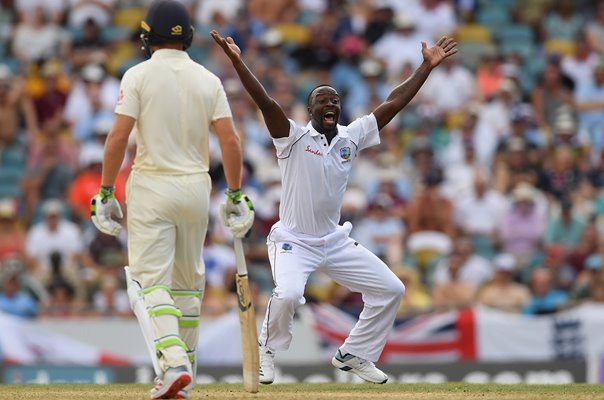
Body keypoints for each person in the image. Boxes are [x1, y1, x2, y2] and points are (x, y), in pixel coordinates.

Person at [212, 29, 457, 384]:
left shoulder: (350, 137)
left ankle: (354, 353)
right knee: (290, 293)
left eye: (335, 101)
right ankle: (266, 349)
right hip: (293, 241)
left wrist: (425, 68)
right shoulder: (292, 137)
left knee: (392, 289)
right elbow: (265, 101)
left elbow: (393, 102)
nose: (330, 105)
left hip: (334, 241)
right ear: (309, 110)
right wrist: (238, 62)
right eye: (322, 101)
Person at [89, 1, 254, 399]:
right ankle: (184, 377)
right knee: (185, 286)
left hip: (152, 185)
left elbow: (117, 139)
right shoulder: (208, 79)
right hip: (196, 187)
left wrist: (105, 191)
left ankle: (174, 362)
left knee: (148, 283)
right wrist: (235, 193)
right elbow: (230, 140)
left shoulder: (138, 74)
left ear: (146, 38)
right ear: (190, 38)